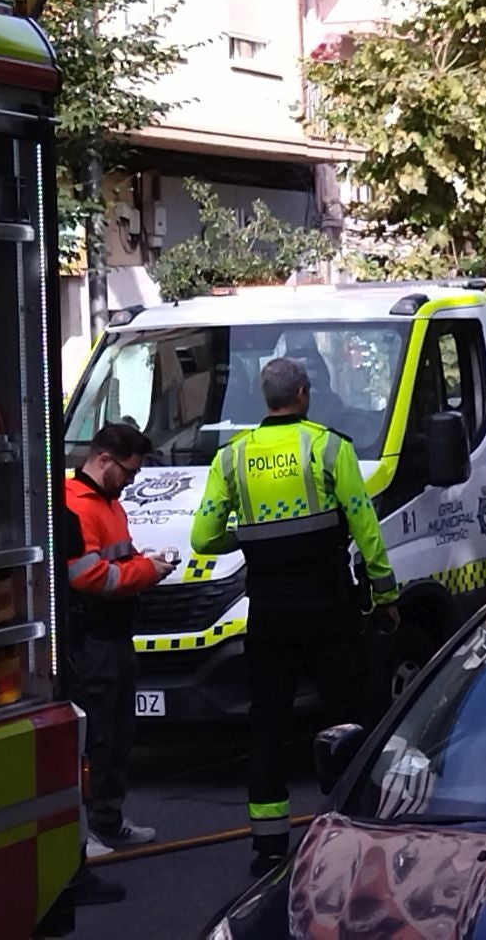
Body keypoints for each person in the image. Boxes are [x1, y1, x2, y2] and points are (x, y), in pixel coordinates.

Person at [191, 357, 397, 876]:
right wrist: (385, 591)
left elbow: (203, 539)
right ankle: (355, 826)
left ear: (266, 397)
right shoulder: (328, 447)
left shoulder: (232, 458)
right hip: (329, 608)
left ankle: (269, 846)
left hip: (270, 615)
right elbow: (364, 524)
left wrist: (248, 536)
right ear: (303, 394)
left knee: (267, 723)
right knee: (349, 712)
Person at [63, 424, 174, 862]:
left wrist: (144, 562)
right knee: (96, 737)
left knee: (118, 733)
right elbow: (86, 575)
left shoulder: (109, 504)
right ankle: (85, 829)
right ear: (103, 459)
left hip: (114, 635)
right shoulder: (76, 505)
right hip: (91, 639)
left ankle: (107, 820)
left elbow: (115, 560)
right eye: (127, 472)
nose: (130, 481)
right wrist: (147, 571)